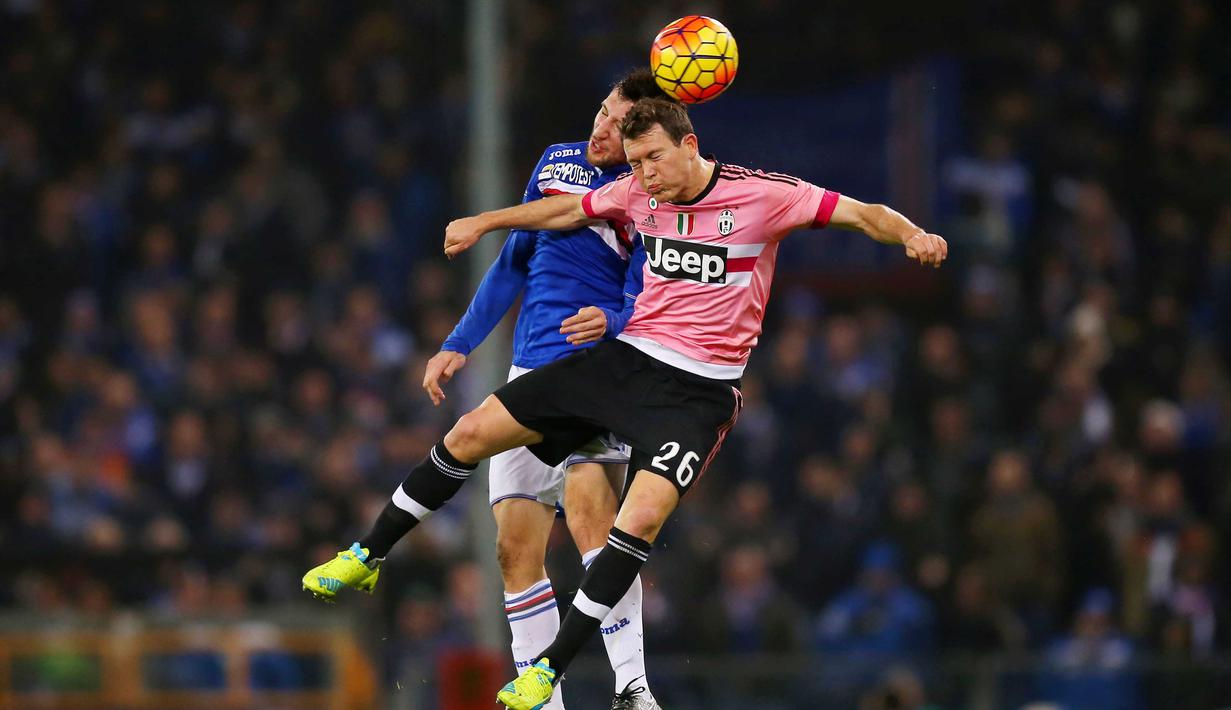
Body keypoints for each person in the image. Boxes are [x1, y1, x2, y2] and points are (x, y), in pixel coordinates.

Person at [326, 96, 945, 710]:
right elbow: (564, 210)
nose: (644, 174)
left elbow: (863, 214)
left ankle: (577, 676)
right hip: (625, 366)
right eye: (636, 161)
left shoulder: (763, 196)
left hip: (697, 394)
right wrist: (484, 222)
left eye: (653, 158)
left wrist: (911, 234)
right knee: (471, 432)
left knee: (631, 523)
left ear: (689, 145)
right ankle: (369, 551)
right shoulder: (633, 191)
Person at [301, 70, 671, 710]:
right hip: (528, 372)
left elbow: (652, 293)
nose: (601, 129)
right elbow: (513, 262)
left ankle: (632, 687)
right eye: (602, 112)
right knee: (513, 547)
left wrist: (612, 321)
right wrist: (458, 342)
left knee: (592, 520)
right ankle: (543, 702)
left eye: (619, 125)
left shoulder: (648, 195)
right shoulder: (557, 163)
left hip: (595, 374)